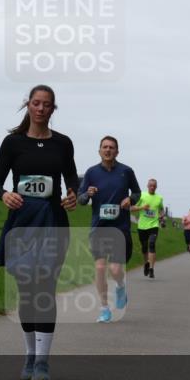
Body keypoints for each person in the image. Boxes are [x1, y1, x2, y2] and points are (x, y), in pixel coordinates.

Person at [0, 85, 78, 380]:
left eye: (47, 105)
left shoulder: (63, 144)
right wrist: (4, 195)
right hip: (22, 221)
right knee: (27, 291)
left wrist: (72, 195)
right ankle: (29, 354)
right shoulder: (13, 143)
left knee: (45, 289)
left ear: (54, 109)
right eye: (36, 103)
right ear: (28, 105)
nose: (41, 109)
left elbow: (72, 181)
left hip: (53, 221)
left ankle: (42, 362)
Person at [77, 136, 141, 323]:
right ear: (99, 151)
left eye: (111, 147)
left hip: (119, 227)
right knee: (99, 267)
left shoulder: (126, 171)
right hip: (99, 227)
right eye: (104, 147)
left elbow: (137, 192)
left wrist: (131, 200)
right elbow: (81, 200)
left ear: (117, 151)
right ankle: (104, 308)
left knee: (114, 269)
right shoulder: (91, 172)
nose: (108, 150)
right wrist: (87, 194)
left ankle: (120, 285)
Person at [132, 179, 164, 279]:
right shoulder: (142, 195)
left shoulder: (159, 198)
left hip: (154, 225)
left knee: (151, 244)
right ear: (147, 186)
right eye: (150, 185)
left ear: (156, 187)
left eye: (154, 186)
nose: (152, 187)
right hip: (142, 226)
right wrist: (142, 208)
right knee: (144, 248)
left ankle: (151, 269)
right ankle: (146, 263)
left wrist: (161, 215)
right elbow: (132, 208)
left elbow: (162, 209)